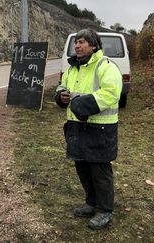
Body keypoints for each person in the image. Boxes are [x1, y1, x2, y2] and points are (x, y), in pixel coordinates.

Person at [54, 28, 122, 230]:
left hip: (99, 128)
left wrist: (79, 105)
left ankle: (105, 210)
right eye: (76, 42)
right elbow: (61, 87)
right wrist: (60, 97)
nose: (77, 46)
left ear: (94, 46)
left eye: (82, 42)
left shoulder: (105, 66)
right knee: (82, 168)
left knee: (99, 170)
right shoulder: (72, 68)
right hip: (76, 127)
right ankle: (91, 204)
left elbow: (111, 92)